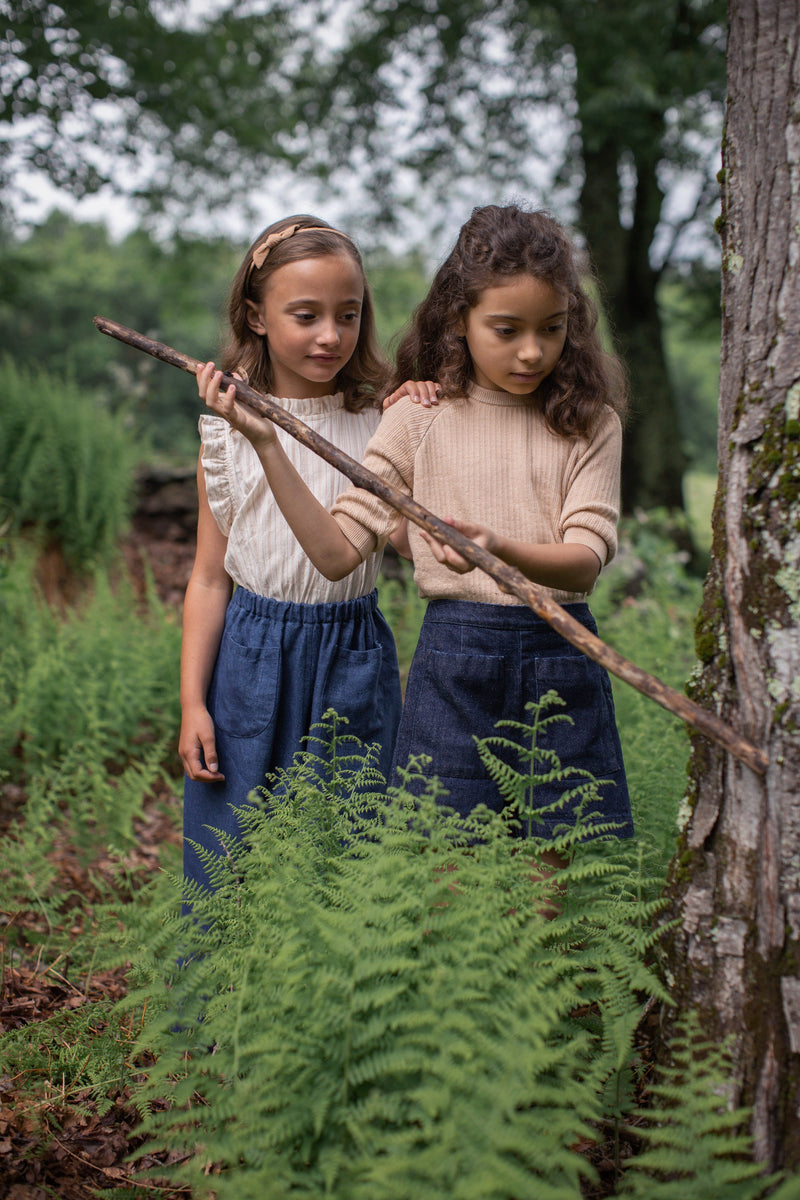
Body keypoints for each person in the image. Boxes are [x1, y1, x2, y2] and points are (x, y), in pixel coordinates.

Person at [198, 204, 633, 848]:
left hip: (561, 655)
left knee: (557, 855)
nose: (532, 351)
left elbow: (587, 558)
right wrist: (266, 442)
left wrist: (497, 549)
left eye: (553, 328)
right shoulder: (416, 419)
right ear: (460, 320)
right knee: (444, 857)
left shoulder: (589, 422)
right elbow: (335, 554)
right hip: (455, 660)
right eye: (507, 329)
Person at [181, 214, 406, 895]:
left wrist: (421, 402)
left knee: (349, 853)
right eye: (306, 316)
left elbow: (402, 537)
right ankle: (224, 968)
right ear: (257, 316)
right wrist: (192, 703)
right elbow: (208, 579)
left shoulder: (382, 423)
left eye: (348, 315)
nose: (330, 335)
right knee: (233, 853)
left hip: (352, 652)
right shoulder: (227, 435)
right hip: (251, 655)